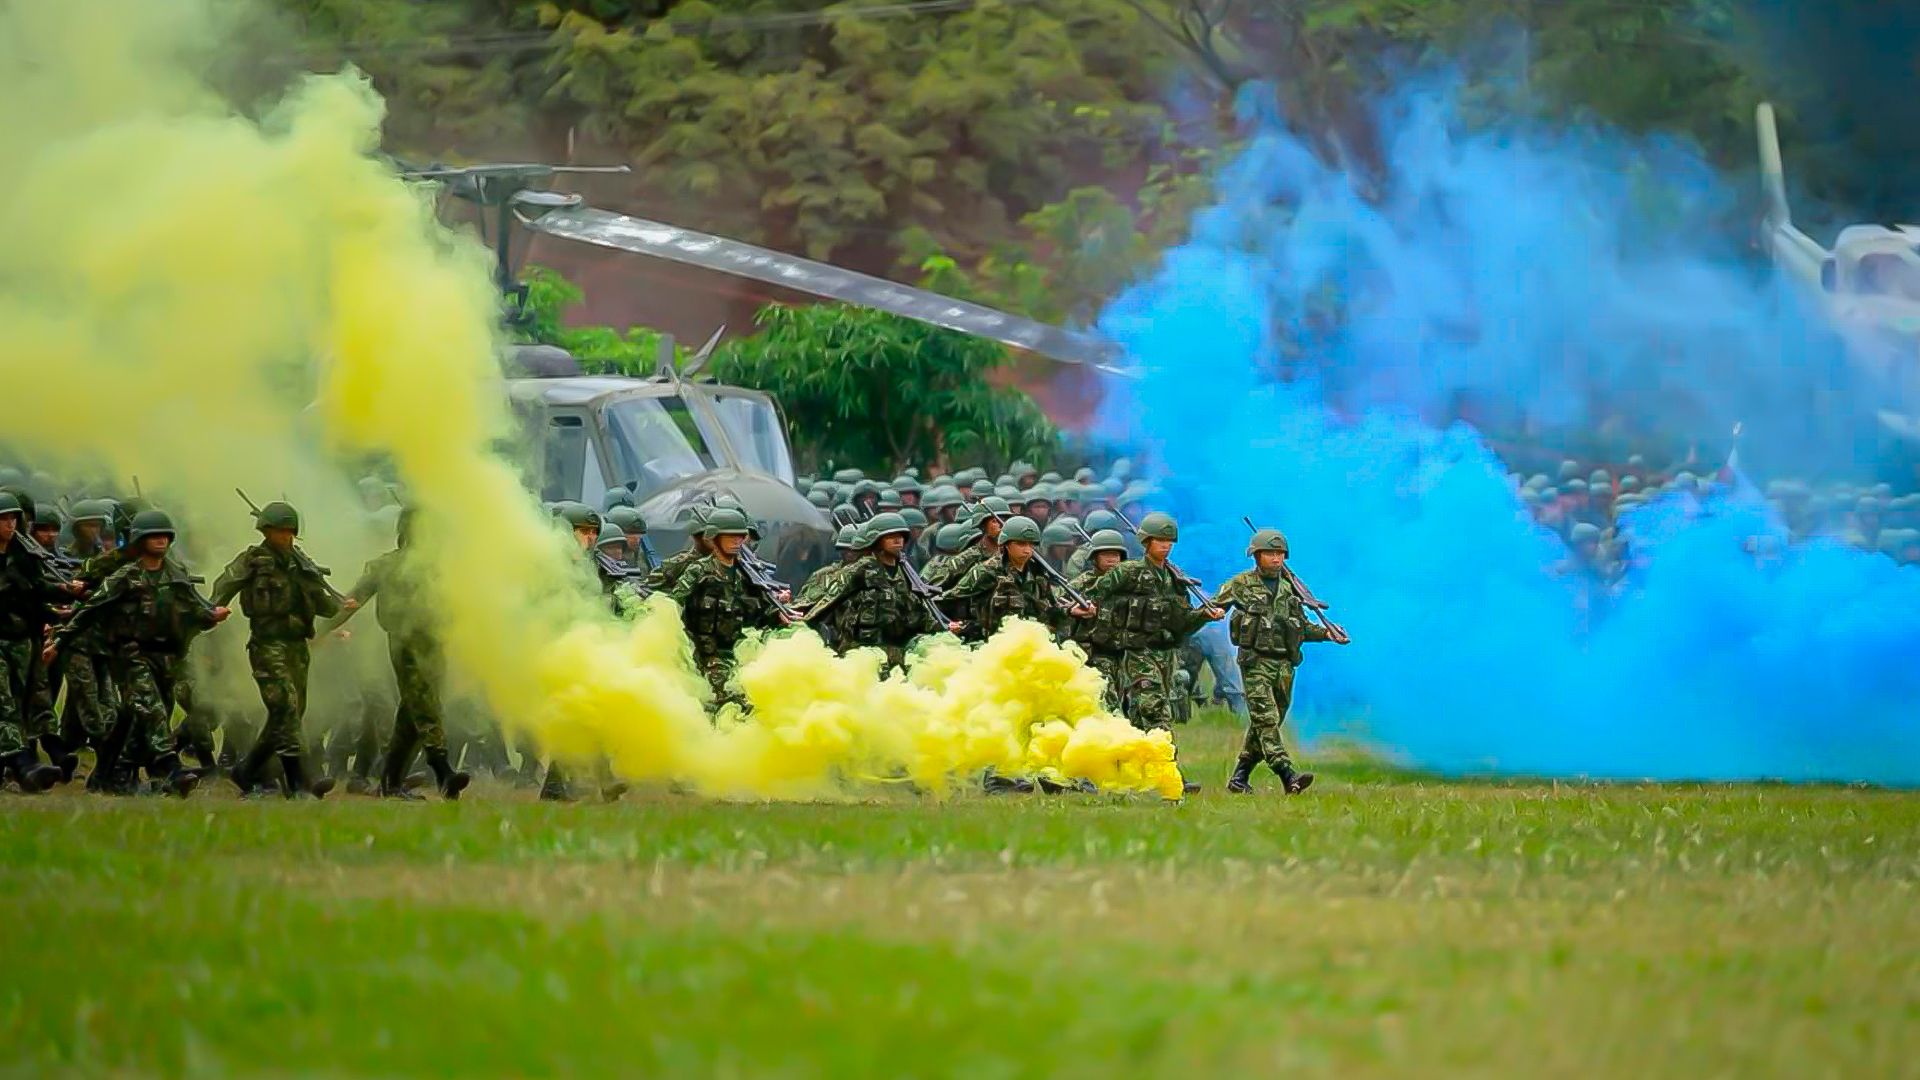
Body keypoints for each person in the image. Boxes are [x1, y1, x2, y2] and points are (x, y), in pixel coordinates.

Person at [50, 509, 227, 797]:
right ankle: (169, 766)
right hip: (131, 655)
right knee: (151, 709)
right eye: (152, 536)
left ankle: (114, 773)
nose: (159, 541)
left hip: (167, 656)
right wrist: (58, 642)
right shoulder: (126, 576)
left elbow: (196, 605)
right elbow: (89, 610)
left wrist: (212, 615)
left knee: (139, 718)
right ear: (140, 540)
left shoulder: (176, 573)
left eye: (164, 536)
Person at [210, 500, 354, 798]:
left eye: (289, 532)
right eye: (279, 531)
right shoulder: (252, 560)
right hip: (267, 644)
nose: (285, 537)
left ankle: (247, 770)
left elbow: (321, 602)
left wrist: (341, 607)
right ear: (265, 531)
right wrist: (212, 610)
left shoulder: (301, 564)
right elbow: (224, 584)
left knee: (289, 714)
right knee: (286, 707)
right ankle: (298, 783)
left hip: (298, 646)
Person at [328, 508, 470, 801]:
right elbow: (350, 602)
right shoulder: (385, 566)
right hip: (405, 643)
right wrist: (318, 630)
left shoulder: (437, 567)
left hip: (434, 645)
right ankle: (443, 771)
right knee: (425, 707)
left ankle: (390, 783)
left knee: (410, 716)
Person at [1081, 512, 1220, 791]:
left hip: (1165, 654)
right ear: (1146, 541)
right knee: (1155, 711)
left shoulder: (1174, 579)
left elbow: (1182, 622)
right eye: (1159, 540)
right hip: (1138, 653)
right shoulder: (1129, 572)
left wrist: (1205, 615)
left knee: (1139, 718)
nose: (1165, 546)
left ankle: (1118, 770)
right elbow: (1096, 593)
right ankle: (1170, 775)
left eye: (1169, 541)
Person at [1207, 528, 1346, 795]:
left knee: (1267, 722)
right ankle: (1288, 775)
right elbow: (1213, 605)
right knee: (1266, 719)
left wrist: (1327, 633)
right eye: (1269, 553)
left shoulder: (1290, 589)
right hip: (1255, 662)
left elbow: (1301, 627)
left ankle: (1240, 777)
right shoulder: (1241, 584)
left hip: (1284, 665)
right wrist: (1210, 612)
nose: (1275, 559)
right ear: (1256, 556)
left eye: (1280, 553)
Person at [663, 507, 790, 709]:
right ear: (714, 538)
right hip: (706, 658)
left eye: (740, 536)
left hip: (739, 653)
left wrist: (778, 614)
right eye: (730, 537)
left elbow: (759, 613)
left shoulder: (747, 575)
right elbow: (672, 607)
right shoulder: (699, 571)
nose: (737, 541)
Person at [0, 493, 79, 792]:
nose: (10, 525)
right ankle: (23, 765)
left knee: (26, 702)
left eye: (13, 519)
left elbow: (35, 592)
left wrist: (67, 594)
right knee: (4, 705)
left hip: (22, 639)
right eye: (3, 519)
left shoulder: (24, 555)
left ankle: (27, 763)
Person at [804, 513, 949, 669]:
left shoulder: (904, 573)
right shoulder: (861, 569)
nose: (897, 540)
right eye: (890, 536)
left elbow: (917, 610)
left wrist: (943, 627)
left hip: (896, 652)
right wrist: (800, 615)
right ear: (877, 541)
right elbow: (827, 597)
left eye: (900, 535)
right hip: (861, 653)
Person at [942, 515, 1093, 642]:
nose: (1027, 550)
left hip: (1030, 643)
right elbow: (950, 599)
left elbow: (1050, 609)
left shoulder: (1038, 573)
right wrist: (960, 625)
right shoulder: (987, 571)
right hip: (991, 645)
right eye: (1020, 544)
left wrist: (1070, 610)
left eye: (1030, 545)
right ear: (1006, 544)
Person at [1065, 528, 1128, 709]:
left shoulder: (1130, 583)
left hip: (1124, 653)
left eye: (1115, 555)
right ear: (1095, 558)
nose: (1111, 560)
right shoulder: (1081, 584)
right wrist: (1073, 610)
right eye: (1105, 554)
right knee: (1106, 703)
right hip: (1093, 654)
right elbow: (1057, 607)